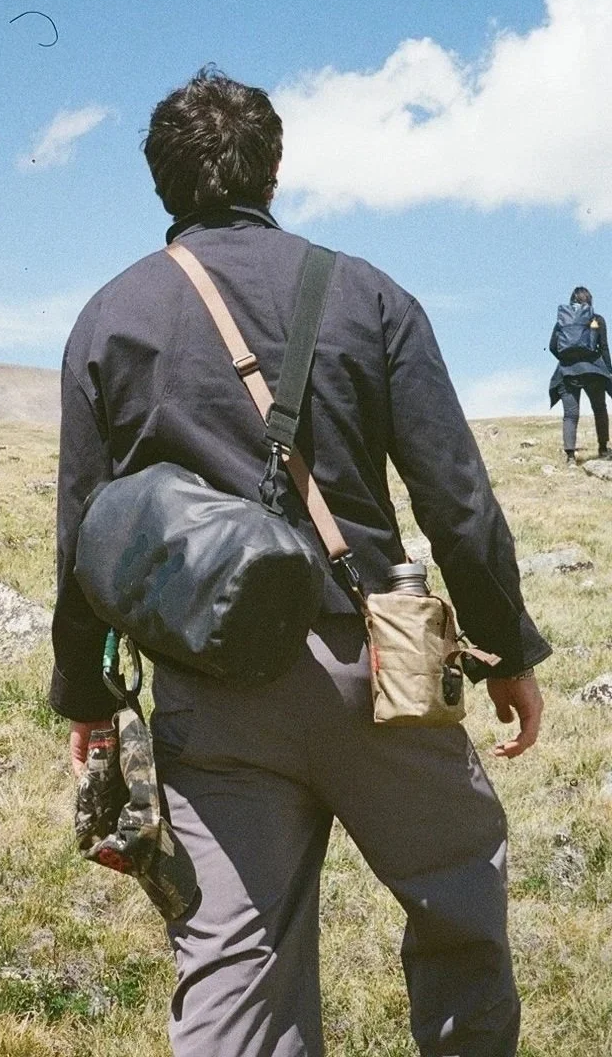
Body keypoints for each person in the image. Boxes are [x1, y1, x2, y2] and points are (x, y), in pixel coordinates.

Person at [49, 67, 550, 1057]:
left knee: (235, 975)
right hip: (378, 669)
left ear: (161, 182)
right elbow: (455, 497)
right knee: (457, 897)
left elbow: (86, 537)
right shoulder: (368, 294)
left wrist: (88, 695)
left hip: (213, 693)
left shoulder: (109, 319)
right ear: (273, 168)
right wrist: (505, 648)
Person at [548, 286, 612, 464]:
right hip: (594, 372)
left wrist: (567, 358)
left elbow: (553, 346)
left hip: (568, 373)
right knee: (599, 409)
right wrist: (609, 370)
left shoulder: (562, 322)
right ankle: (603, 449)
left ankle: (570, 458)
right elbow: (604, 348)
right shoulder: (597, 319)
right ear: (590, 301)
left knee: (570, 414)